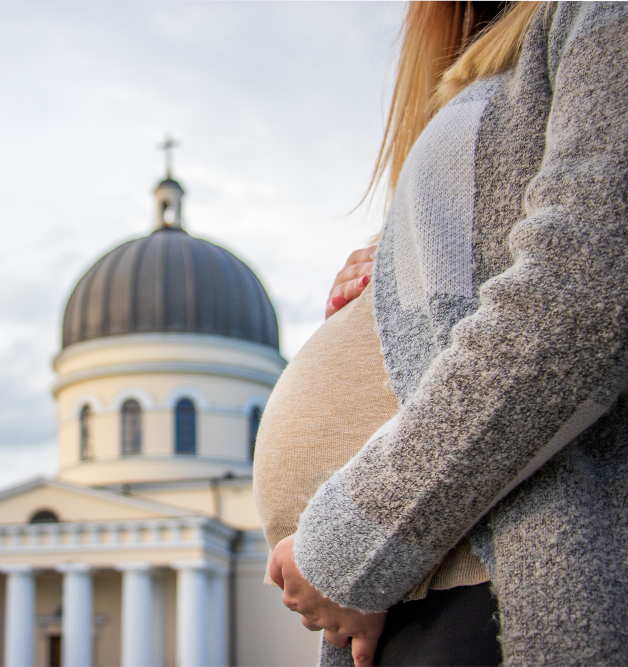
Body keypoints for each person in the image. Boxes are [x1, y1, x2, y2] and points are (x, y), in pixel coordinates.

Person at [252, 2, 628, 666]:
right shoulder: (475, 62)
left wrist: (347, 546)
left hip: (487, 582)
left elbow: (582, 293)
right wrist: (391, 274)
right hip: (396, 593)